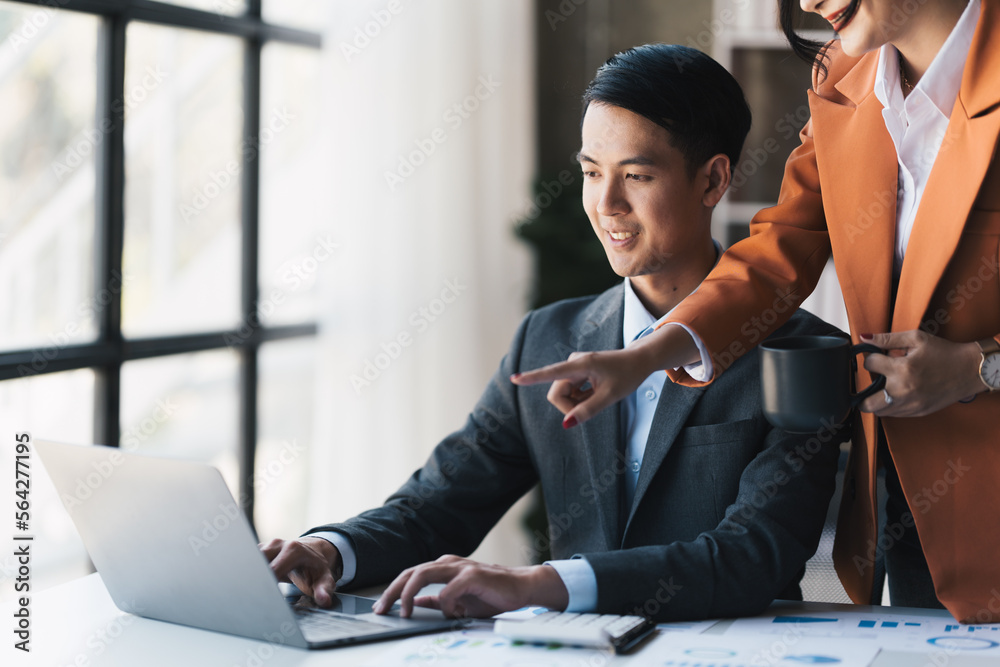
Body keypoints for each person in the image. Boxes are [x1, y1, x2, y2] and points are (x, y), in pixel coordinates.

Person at [261, 44, 842, 622]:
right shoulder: (548, 337)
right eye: (592, 173)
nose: (606, 204)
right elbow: (438, 505)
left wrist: (538, 584)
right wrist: (328, 550)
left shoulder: (797, 354)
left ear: (713, 180)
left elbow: (752, 558)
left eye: (636, 175)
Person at [513, 0, 1000, 623]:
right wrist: (645, 357)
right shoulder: (843, 75)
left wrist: (977, 368)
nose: (805, 3)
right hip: (921, 507)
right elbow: (781, 251)